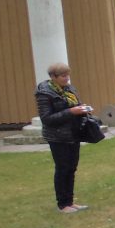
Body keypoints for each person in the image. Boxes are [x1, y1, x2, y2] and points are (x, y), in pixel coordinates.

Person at [35, 62, 92, 213]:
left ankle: (70, 201)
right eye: (63, 76)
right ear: (53, 77)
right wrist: (71, 112)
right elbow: (47, 118)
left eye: (68, 75)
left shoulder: (69, 89)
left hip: (73, 133)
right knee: (63, 169)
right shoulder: (45, 93)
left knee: (72, 168)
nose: (67, 78)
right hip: (57, 137)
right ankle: (62, 204)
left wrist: (83, 109)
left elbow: (75, 105)